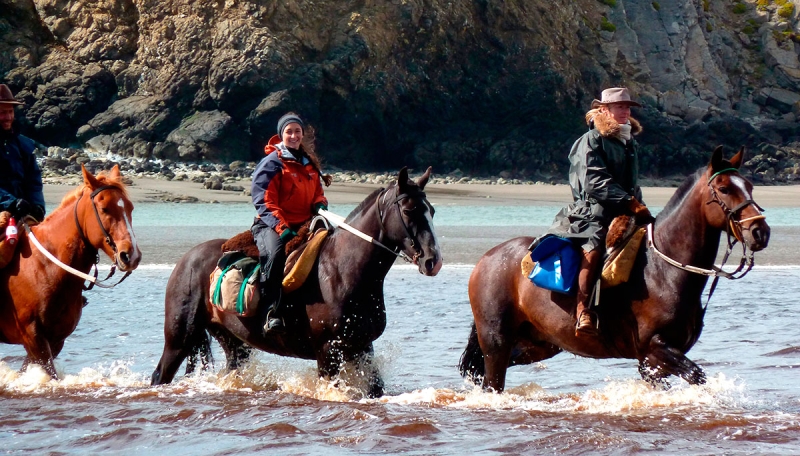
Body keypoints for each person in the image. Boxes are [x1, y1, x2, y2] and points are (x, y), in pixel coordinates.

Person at [543, 87, 654, 336]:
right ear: (604, 109)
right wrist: (630, 202)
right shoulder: (591, 140)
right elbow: (594, 182)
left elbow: (631, 182)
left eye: (628, 107)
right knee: (592, 250)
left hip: (624, 208)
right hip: (591, 211)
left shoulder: (628, 141)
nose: (625, 111)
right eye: (620, 107)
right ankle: (583, 309)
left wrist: (639, 205)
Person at [251, 113, 331, 334]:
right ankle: (270, 312)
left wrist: (320, 205)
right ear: (281, 135)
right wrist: (282, 228)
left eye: (297, 131)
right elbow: (263, 200)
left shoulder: (308, 163)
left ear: (302, 134)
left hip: (304, 222)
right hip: (270, 224)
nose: (294, 135)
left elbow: (317, 193)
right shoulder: (272, 162)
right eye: (289, 131)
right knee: (276, 255)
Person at [0, 84, 45, 222]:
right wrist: (11, 203)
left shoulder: (24, 144)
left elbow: (34, 181)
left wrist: (38, 205)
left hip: (24, 211)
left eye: (10, 112)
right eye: (2, 112)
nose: (8, 117)